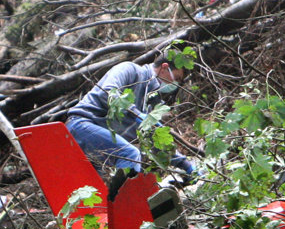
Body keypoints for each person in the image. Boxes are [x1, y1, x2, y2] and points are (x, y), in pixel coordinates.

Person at [65, 52, 194, 193]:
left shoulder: (151, 102)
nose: (175, 84)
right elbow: (108, 92)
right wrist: (136, 113)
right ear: (164, 68)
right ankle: (127, 207)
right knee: (130, 154)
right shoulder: (130, 70)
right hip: (81, 125)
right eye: (177, 78)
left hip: (99, 146)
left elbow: (154, 141)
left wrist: (185, 165)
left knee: (93, 195)